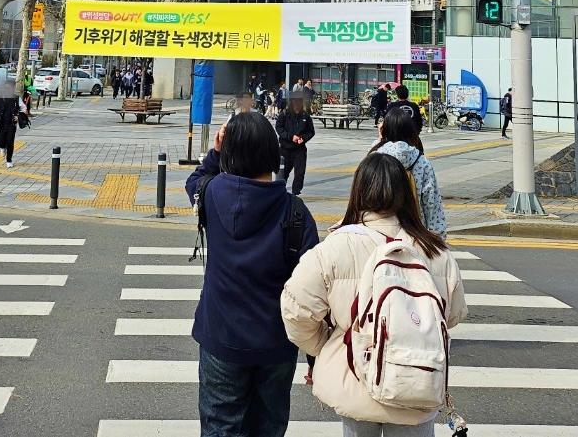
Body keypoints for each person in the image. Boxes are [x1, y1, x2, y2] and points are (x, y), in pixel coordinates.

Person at [280, 153, 467, 437]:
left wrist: (323, 346)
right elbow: (452, 315)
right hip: (417, 382)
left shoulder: (336, 247)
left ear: (358, 191)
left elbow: (295, 308)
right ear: (406, 194)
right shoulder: (436, 251)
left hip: (356, 379)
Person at [185, 112, 319, 437]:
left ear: (231, 153)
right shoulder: (296, 212)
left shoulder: (213, 192)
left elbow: (194, 182)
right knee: (268, 429)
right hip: (276, 343)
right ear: (272, 152)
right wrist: (315, 356)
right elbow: (315, 293)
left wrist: (215, 153)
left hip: (221, 338)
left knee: (220, 428)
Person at [372, 108, 446, 239]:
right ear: (411, 131)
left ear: (385, 130)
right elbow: (432, 203)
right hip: (414, 232)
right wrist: (439, 238)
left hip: (379, 233)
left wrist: (380, 139)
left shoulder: (375, 158)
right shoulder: (421, 161)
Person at [276, 92, 315, 196]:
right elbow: (279, 128)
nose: (297, 103)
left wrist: (304, 138)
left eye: (299, 101)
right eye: (295, 101)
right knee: (283, 173)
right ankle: (280, 193)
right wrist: (290, 137)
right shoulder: (284, 114)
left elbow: (311, 131)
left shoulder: (305, 115)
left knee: (299, 174)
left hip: (300, 149)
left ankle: (296, 193)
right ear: (292, 101)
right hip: (285, 149)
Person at [0, 79, 27, 169]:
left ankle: (9, 160)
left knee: (10, 142)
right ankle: (2, 147)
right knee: (1, 142)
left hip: (11, 124)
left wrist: (18, 116)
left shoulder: (16, 98)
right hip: (0, 123)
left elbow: (23, 108)